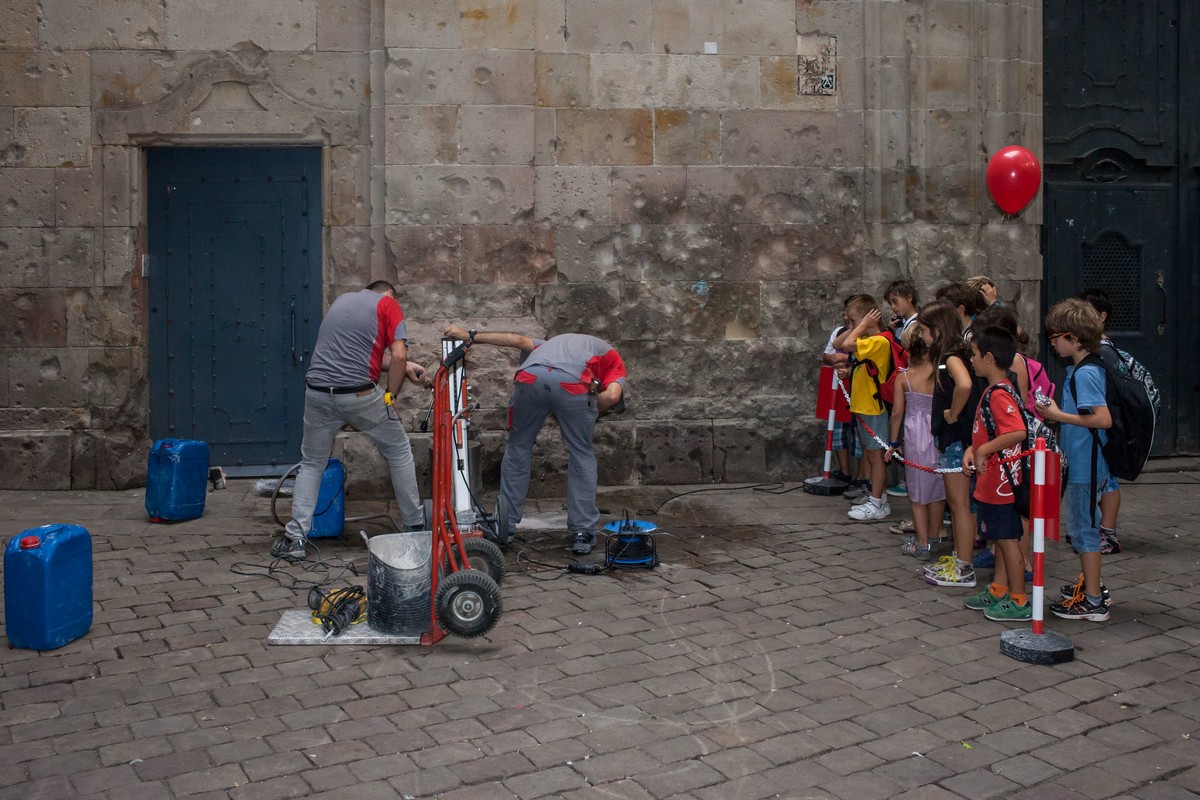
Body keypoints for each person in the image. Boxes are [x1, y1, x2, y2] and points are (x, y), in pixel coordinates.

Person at [270, 281, 430, 561]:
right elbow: (399, 354)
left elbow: (357, 356)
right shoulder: (388, 304)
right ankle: (414, 525)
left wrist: (407, 367)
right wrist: (390, 397)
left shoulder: (343, 300)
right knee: (398, 449)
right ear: (389, 293)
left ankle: (294, 539)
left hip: (318, 393)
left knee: (312, 463)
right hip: (359, 394)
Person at [444, 325, 627, 555]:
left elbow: (516, 338)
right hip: (572, 383)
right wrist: (590, 407)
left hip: (530, 376)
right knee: (581, 452)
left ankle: (505, 524)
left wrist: (467, 336)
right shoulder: (613, 358)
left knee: (518, 447)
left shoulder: (549, 345)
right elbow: (611, 396)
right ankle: (583, 531)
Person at [1038, 299, 1114, 622]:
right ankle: (1091, 585)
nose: (1052, 343)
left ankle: (1094, 601)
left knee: (1084, 529)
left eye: (1055, 337)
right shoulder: (1084, 369)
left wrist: (1058, 415)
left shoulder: (1086, 374)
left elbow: (1102, 419)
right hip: (1086, 461)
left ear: (1073, 337)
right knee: (1084, 527)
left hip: (1087, 464)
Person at [961, 326, 1030, 621]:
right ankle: (999, 588)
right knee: (1000, 539)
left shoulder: (999, 394)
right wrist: (974, 448)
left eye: (974, 355)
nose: (972, 361)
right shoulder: (993, 391)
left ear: (989, 357)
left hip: (1000, 484)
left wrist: (983, 449)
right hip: (992, 481)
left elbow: (1017, 431)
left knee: (1007, 541)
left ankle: (1019, 599)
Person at [918, 299, 981, 588]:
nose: (920, 336)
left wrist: (953, 414)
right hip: (955, 441)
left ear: (938, 331)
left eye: (923, 330)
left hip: (956, 441)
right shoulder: (952, 355)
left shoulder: (951, 358)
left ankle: (964, 567)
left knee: (959, 506)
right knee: (958, 507)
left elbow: (965, 385)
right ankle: (960, 558)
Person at [885, 329, 945, 560]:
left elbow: (898, 412)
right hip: (937, 433)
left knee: (917, 493)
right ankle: (934, 540)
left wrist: (893, 441)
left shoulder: (905, 377)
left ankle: (921, 544)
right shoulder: (940, 375)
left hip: (914, 436)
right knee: (937, 490)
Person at [833, 295, 892, 521]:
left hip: (874, 408)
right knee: (870, 455)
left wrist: (864, 324)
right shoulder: (870, 341)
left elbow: (846, 344)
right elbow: (843, 347)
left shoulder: (878, 341)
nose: (849, 327)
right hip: (864, 406)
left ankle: (876, 502)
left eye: (851, 322)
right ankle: (880, 498)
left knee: (875, 458)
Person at [1076, 288, 1122, 555]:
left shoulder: (1101, 352)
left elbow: (1103, 411)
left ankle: (1106, 532)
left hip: (1101, 428)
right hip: (1096, 428)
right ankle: (1102, 532)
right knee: (1107, 479)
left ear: (1101, 316)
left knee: (1108, 480)